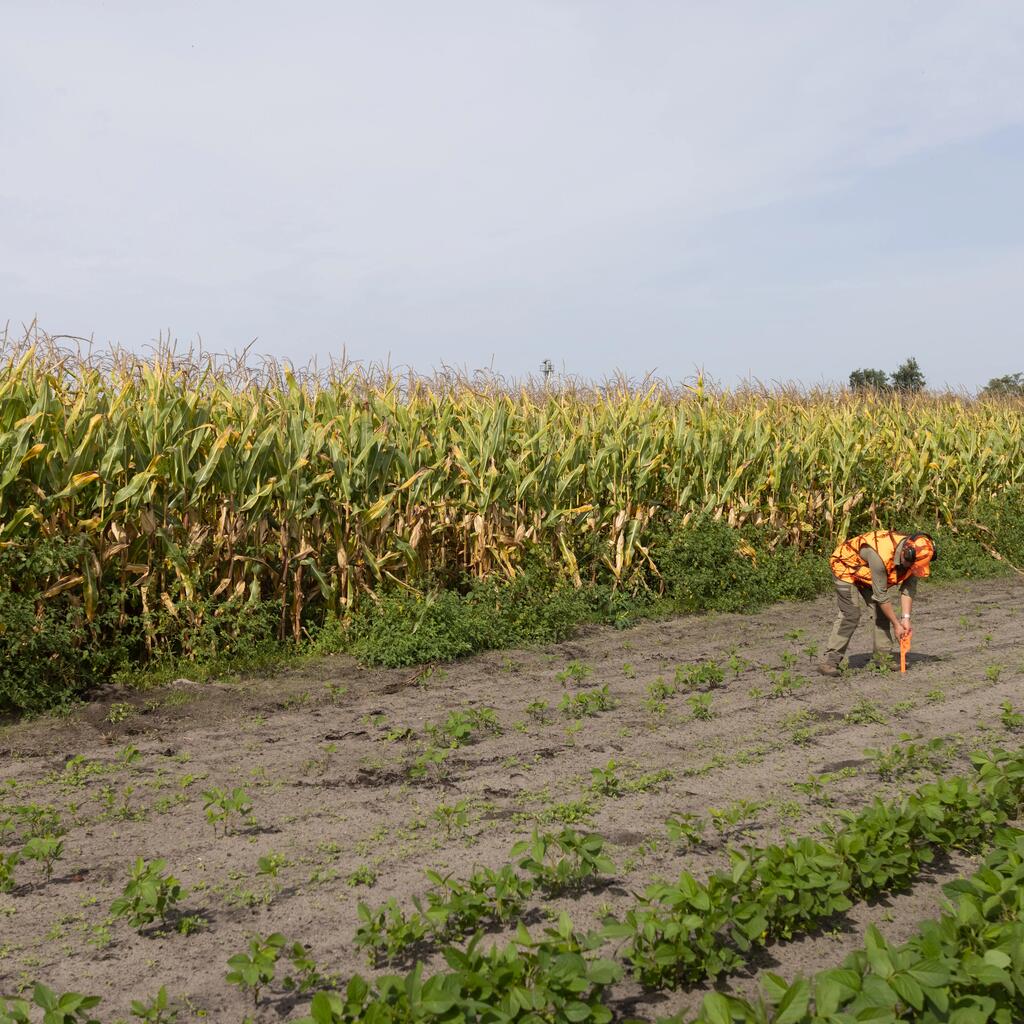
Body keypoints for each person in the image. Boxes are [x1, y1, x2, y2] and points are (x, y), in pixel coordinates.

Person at [818, 530, 937, 677]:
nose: (910, 569)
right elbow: (881, 596)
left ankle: (882, 659)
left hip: (866, 572)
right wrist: (896, 624)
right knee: (851, 614)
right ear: (906, 552)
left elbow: (908, 589)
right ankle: (830, 661)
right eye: (910, 565)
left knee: (881, 614)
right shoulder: (881, 554)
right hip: (845, 567)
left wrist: (905, 618)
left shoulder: (916, 557)